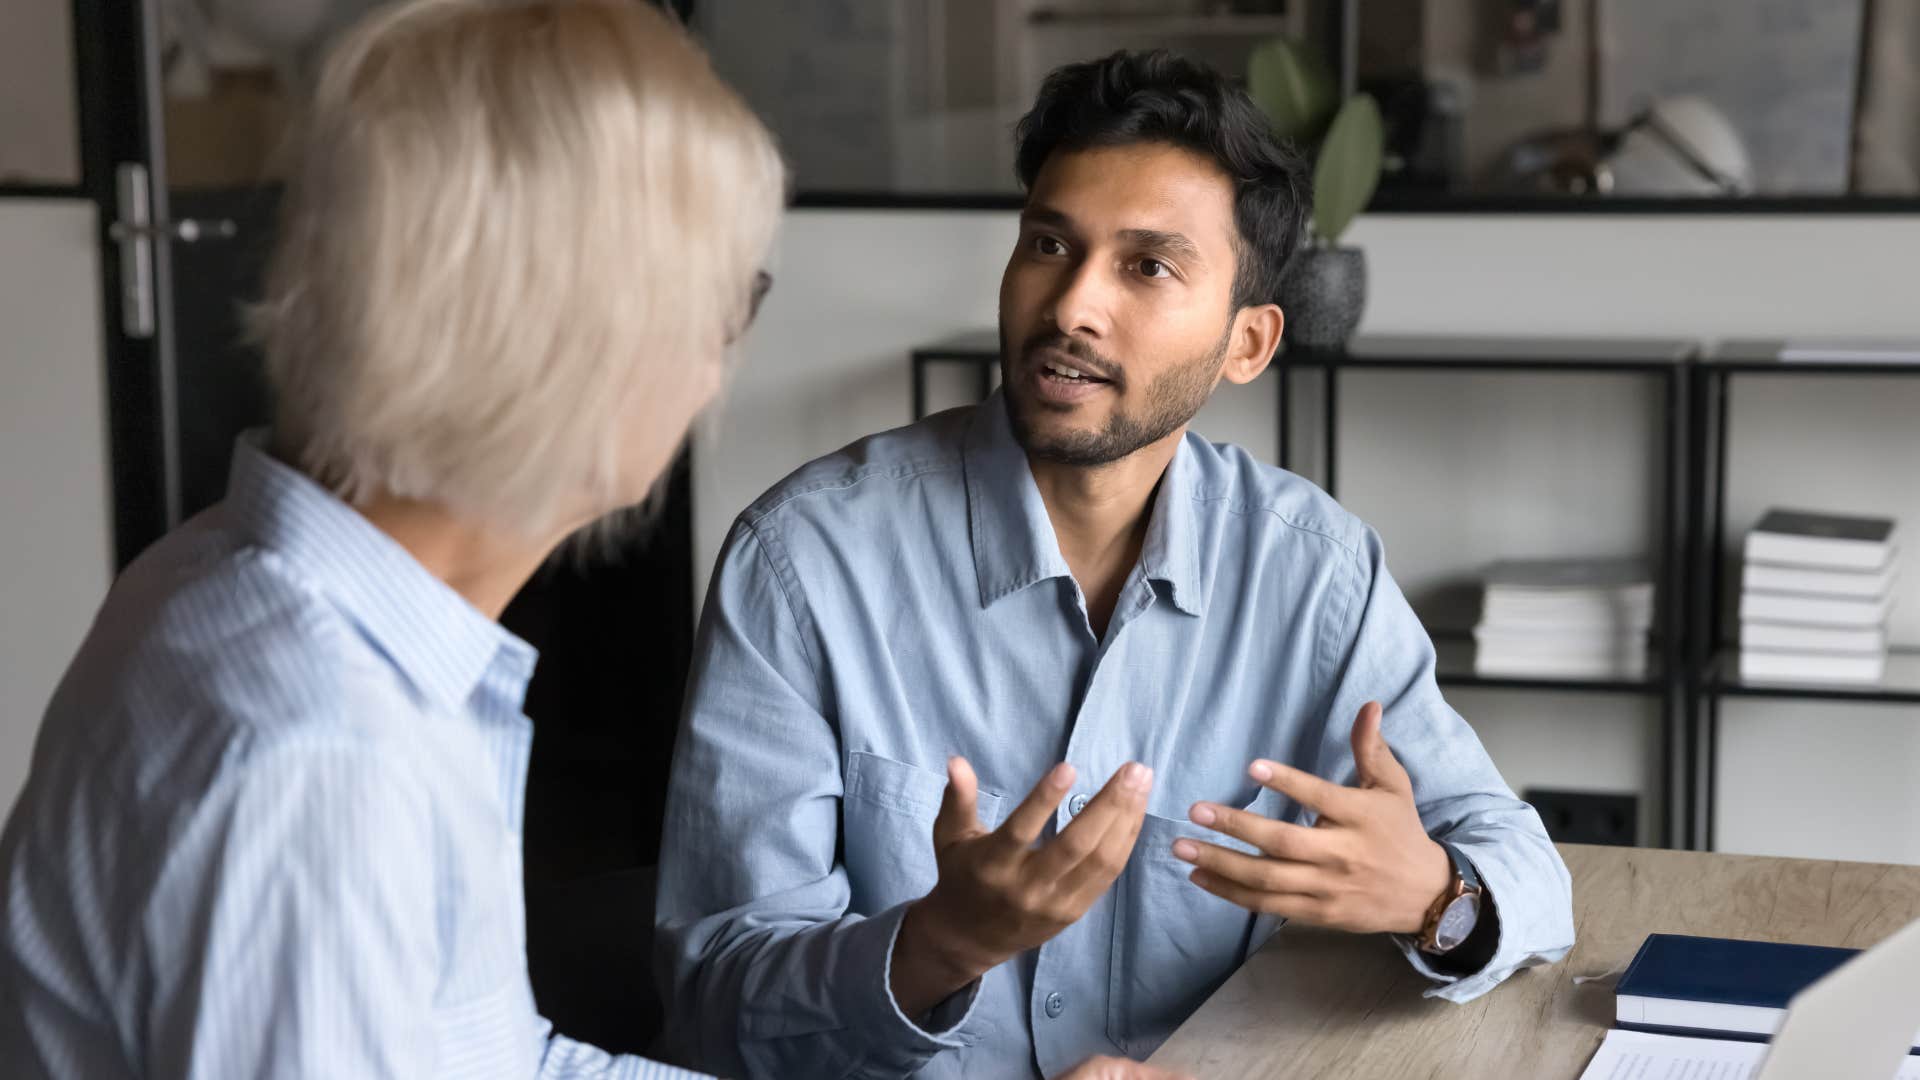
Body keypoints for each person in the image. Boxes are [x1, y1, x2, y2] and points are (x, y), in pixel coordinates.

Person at [655, 49, 1577, 1079]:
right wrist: (938, 946)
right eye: (1049, 243)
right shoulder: (801, 564)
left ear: (1249, 343)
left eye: (1148, 266)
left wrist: (1434, 898)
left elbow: (1525, 871)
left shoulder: (1314, 574)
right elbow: (711, 1007)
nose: (1072, 307)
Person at [0, 1, 782, 1075]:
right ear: (584, 345)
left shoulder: (225, 572)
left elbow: (498, 1057)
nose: (716, 367)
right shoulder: (325, 766)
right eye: (730, 302)